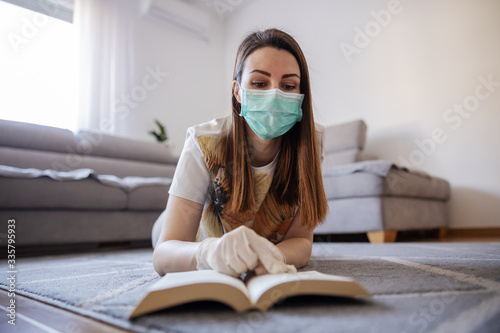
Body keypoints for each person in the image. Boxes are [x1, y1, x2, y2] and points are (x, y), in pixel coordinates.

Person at [152, 28, 328, 277]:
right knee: (163, 228)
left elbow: (301, 240)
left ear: (301, 96)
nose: (274, 95)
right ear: (237, 92)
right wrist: (210, 253)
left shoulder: (312, 143)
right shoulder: (203, 142)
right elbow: (163, 253)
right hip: (192, 233)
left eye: (288, 86)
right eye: (259, 83)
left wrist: (273, 255)